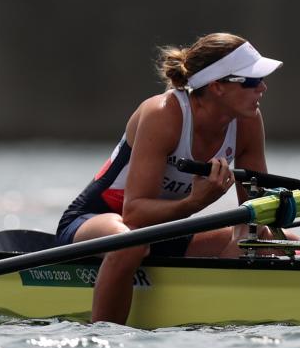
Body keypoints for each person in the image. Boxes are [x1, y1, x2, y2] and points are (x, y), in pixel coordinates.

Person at [56, 33, 285, 324]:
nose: (263, 88)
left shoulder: (249, 121)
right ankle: (104, 337)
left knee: (277, 241)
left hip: (166, 229)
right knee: (131, 243)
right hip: (98, 220)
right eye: (252, 81)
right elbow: (135, 212)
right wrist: (195, 202)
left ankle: (219, 327)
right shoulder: (163, 113)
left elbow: (255, 209)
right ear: (217, 87)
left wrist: (258, 228)